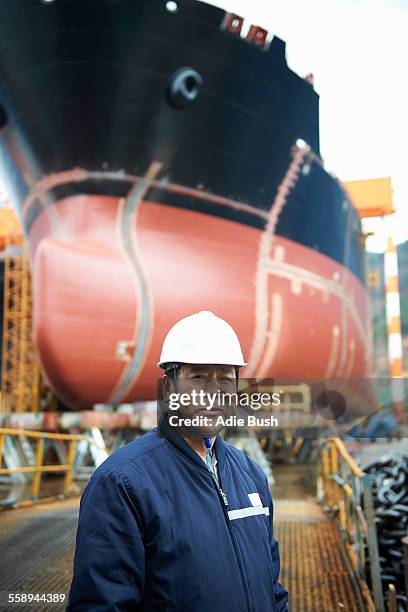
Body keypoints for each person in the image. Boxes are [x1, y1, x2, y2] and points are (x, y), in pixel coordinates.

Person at [66, 310, 289, 611]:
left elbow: (271, 590)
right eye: (198, 377)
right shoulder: (123, 483)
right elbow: (101, 604)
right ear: (170, 387)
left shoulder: (251, 475)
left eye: (225, 379)